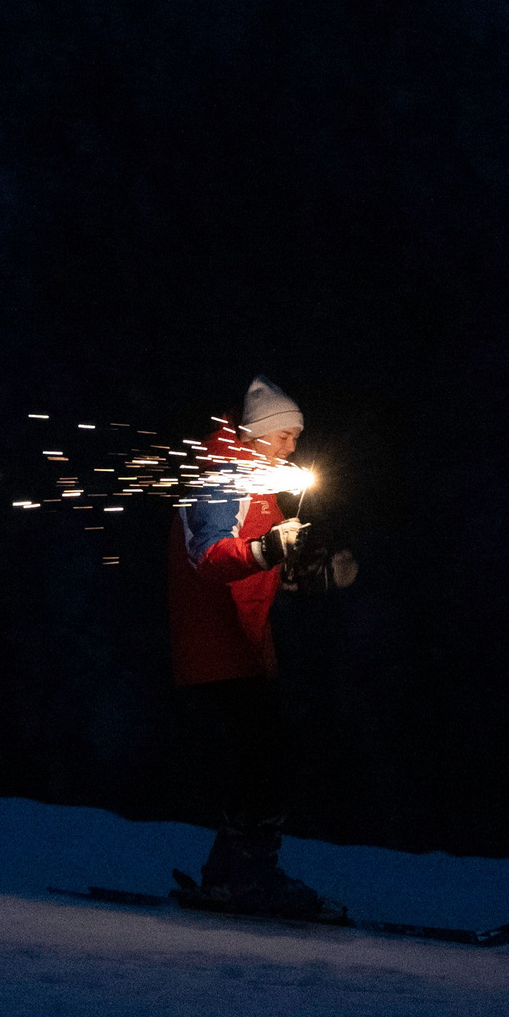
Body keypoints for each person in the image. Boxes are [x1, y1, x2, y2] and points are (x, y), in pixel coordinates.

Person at [165, 375, 344, 919]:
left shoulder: (256, 479)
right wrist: (271, 547)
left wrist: (312, 573)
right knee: (268, 750)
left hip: (242, 637)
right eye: (287, 435)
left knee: (265, 752)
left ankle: (233, 874)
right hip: (216, 634)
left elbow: (260, 565)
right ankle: (244, 876)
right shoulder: (220, 474)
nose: (293, 445)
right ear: (261, 434)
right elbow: (211, 555)